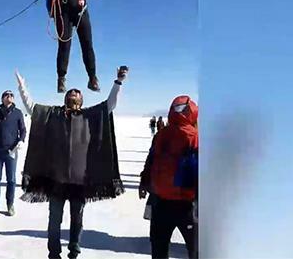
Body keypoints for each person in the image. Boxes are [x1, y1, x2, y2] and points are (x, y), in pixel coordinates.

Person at [16, 66, 128, 259]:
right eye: (71, 92)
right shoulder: (53, 115)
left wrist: (118, 82)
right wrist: (22, 87)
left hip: (79, 181)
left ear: (81, 100)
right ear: (66, 98)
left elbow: (109, 104)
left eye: (78, 92)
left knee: (77, 220)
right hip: (56, 180)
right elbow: (32, 108)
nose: (74, 93)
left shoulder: (89, 116)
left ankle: (74, 252)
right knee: (54, 220)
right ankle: (54, 254)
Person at [139, 96, 199, 259]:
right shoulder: (196, 137)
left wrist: (144, 182)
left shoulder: (161, 134)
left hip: (160, 202)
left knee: (159, 248)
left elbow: (150, 160)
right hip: (187, 204)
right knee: (195, 250)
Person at [40, 0, 101, 93]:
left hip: (81, 15)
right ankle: (61, 79)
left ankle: (92, 78)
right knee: (64, 46)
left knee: (87, 46)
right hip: (64, 16)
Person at [0, 90, 27, 219]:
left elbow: (23, 129)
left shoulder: (18, 113)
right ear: (2, 99)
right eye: (7, 95)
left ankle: (10, 205)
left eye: (11, 95)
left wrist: (21, 141)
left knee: (11, 180)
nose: (10, 97)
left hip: (11, 151)